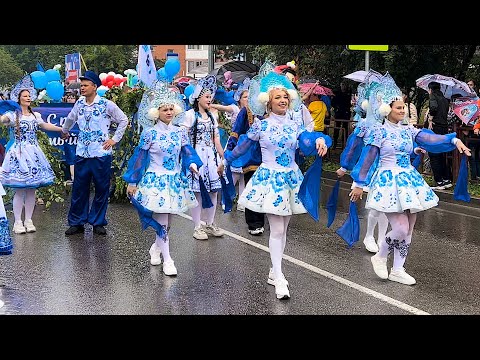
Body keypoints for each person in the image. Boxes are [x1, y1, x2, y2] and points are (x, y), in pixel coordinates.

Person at [349, 73, 471, 286]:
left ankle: (398, 269)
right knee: (400, 228)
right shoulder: (379, 132)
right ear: (387, 110)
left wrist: (454, 140)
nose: (403, 110)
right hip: (388, 181)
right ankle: (380, 256)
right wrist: (359, 184)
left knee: (409, 229)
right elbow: (368, 159)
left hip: (408, 180)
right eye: (398, 108)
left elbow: (432, 138)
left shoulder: (409, 130)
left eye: (403, 106)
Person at [224, 61, 332, 299]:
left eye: (286, 96)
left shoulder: (295, 125)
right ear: (268, 102)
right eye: (278, 97)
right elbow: (242, 146)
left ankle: (275, 269)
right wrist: (227, 159)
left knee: (283, 231)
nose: (283, 100)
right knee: (277, 229)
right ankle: (280, 277)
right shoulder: (260, 126)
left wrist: (320, 141)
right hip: (270, 179)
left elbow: (308, 138)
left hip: (291, 178)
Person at [123, 80, 202, 275]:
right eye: (164, 109)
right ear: (156, 112)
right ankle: (168, 259)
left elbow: (187, 152)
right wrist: (133, 181)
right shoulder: (150, 134)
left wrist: (192, 164)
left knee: (169, 222)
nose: (168, 112)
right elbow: (139, 159)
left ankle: (156, 248)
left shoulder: (179, 133)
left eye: (170, 109)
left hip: (174, 181)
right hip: (156, 181)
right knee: (163, 221)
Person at [61, 70, 129, 236]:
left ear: (94, 86)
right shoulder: (79, 104)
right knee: (79, 188)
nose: (82, 88)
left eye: (85, 85)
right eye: (81, 85)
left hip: (101, 154)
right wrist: (65, 130)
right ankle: (77, 222)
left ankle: (98, 222)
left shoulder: (106, 104)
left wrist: (114, 139)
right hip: (82, 153)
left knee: (101, 188)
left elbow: (123, 120)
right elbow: (70, 118)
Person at [0, 75, 65, 234]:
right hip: (18, 154)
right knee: (20, 189)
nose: (28, 98)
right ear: (19, 98)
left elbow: (45, 125)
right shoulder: (13, 115)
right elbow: (2, 120)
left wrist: (61, 129)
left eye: (29, 96)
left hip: (34, 153)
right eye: (25, 96)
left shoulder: (35, 115)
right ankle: (17, 222)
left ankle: (29, 219)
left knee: (32, 190)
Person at [178, 75, 226, 240]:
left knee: (214, 191)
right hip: (196, 157)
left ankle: (210, 223)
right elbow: (183, 138)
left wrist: (223, 157)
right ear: (198, 98)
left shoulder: (212, 116)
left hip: (211, 157)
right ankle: (198, 226)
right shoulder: (190, 115)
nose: (210, 99)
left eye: (211, 96)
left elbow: (216, 139)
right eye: (207, 96)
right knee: (197, 192)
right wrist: (190, 159)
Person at [210, 78, 251, 212]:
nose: (248, 99)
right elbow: (223, 107)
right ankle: (225, 199)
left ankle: (242, 202)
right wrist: (211, 105)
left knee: (245, 174)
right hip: (236, 142)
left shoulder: (253, 112)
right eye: (245, 97)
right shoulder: (235, 108)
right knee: (232, 174)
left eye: (250, 97)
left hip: (248, 145)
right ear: (239, 98)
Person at [426, 81, 453, 190]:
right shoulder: (445, 99)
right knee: (442, 154)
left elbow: (433, 108)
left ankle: (439, 181)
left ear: (431, 89)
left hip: (435, 128)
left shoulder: (433, 96)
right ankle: (446, 179)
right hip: (444, 128)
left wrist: (431, 118)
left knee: (433, 154)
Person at [63, 91, 79, 185]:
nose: (70, 99)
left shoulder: (80, 107)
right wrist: (64, 130)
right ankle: (72, 177)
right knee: (70, 155)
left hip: (79, 137)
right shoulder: (64, 108)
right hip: (69, 137)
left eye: (72, 97)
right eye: (68, 97)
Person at [331, 81, 352, 148]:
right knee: (337, 128)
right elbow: (333, 102)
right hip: (339, 113)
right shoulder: (337, 93)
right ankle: (335, 143)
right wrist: (336, 108)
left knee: (345, 128)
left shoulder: (348, 93)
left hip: (346, 113)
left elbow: (349, 103)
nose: (343, 87)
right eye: (342, 85)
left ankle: (344, 143)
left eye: (344, 85)